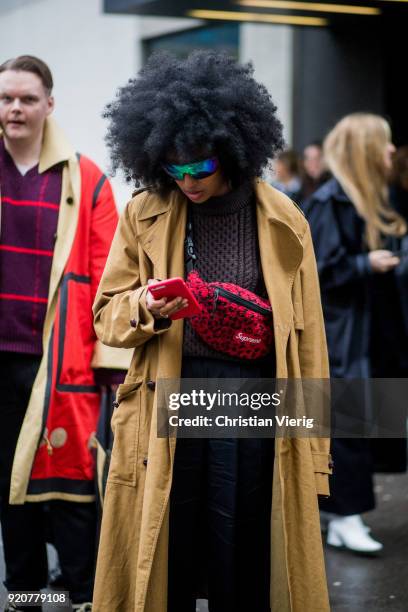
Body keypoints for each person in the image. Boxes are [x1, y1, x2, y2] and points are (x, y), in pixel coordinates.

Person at [92, 50, 332, 612]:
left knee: (245, 561)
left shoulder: (286, 222)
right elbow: (106, 316)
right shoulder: (144, 212)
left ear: (231, 150)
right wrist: (147, 305)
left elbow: (312, 340)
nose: (188, 181)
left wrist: (318, 457)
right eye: (174, 170)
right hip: (168, 396)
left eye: (199, 167)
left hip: (251, 401)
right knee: (166, 555)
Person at [0, 55, 121, 611]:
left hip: (60, 364)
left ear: (50, 104)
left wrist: (112, 367)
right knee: (12, 494)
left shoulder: (87, 178)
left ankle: (82, 598)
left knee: (73, 490)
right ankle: (23, 597)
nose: (15, 108)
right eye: (6, 98)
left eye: (26, 98)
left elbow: (110, 283)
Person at [304, 113, 408, 554]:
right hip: (341, 333)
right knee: (347, 424)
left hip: (364, 332)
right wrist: (370, 263)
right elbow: (319, 271)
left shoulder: (366, 198)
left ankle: (345, 517)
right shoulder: (332, 201)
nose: (391, 152)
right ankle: (345, 517)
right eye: (383, 144)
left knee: (359, 423)